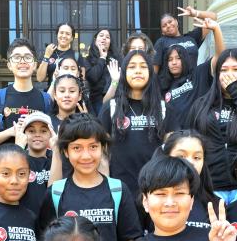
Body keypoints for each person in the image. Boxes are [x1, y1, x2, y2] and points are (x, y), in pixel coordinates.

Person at [41, 113, 143, 241]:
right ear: (65, 151)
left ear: (103, 147)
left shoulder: (118, 190)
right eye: (77, 148)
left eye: (93, 146)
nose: (86, 156)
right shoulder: (55, 193)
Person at [186, 49, 237, 204]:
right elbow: (189, 140)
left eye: (236, 70)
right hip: (209, 188)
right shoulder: (201, 105)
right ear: (216, 74)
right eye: (224, 70)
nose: (230, 74)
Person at [100, 50, 165, 196]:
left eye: (143, 66)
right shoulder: (110, 108)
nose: (138, 71)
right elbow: (102, 153)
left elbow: (173, 151)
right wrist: (107, 186)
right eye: (132, 66)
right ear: (124, 72)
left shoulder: (164, 108)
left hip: (157, 189)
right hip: (119, 190)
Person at [0, 38, 52, 148]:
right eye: (16, 57)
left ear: (35, 65)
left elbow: (51, 137)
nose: (22, 61)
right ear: (9, 65)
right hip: (8, 162)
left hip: (38, 163)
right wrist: (11, 131)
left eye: (27, 57)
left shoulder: (46, 100)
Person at [158, 44, 214, 133]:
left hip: (199, 135)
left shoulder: (198, 74)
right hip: (176, 138)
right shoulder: (164, 86)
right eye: (170, 59)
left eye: (178, 58)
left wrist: (216, 30)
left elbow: (219, 57)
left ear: (185, 59)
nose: (174, 62)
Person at [152, 6, 218, 72]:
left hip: (193, 80)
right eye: (164, 25)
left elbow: (214, 18)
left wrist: (196, 13)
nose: (168, 26)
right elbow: (154, 71)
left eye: (170, 22)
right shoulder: (161, 42)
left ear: (176, 22)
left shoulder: (191, 38)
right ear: (162, 32)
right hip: (171, 81)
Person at [14, 111, 55, 214]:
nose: (37, 135)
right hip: (23, 219)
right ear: (23, 134)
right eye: (31, 131)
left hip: (51, 221)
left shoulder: (57, 158)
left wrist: (57, 152)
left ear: (51, 134)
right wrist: (18, 147)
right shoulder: (18, 156)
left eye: (43, 131)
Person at [82, 29, 120, 114]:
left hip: (116, 99)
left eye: (107, 37)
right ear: (95, 39)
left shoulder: (116, 59)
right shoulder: (88, 60)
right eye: (101, 35)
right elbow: (93, 77)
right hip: (97, 100)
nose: (104, 38)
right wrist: (102, 58)